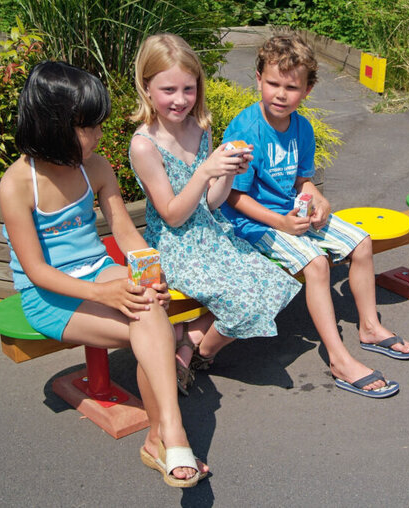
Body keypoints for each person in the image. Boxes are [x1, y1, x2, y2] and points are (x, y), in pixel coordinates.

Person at [0, 61, 207, 487]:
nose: (97, 136)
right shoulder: (18, 184)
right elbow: (37, 271)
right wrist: (108, 295)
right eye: (87, 127)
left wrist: (152, 275)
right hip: (49, 292)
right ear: (51, 125)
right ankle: (169, 435)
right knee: (150, 329)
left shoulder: (92, 166)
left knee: (149, 307)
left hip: (98, 271)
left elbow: (127, 233)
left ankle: (163, 433)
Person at [221, 33, 409, 399]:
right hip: (253, 223)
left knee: (361, 241)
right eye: (273, 83)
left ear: (307, 90)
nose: (280, 94)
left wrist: (318, 198)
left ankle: (370, 326)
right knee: (316, 263)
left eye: (291, 87)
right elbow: (233, 195)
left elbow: (303, 181)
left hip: (292, 213)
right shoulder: (246, 131)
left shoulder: (302, 128)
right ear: (259, 80)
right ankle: (338, 358)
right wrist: (279, 221)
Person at [129, 33, 301, 395]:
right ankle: (190, 344)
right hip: (176, 246)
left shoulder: (200, 127)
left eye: (188, 89)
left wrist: (228, 173)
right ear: (147, 88)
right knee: (246, 301)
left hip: (213, 234)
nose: (180, 100)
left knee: (273, 283)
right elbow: (173, 216)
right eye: (169, 90)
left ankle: (192, 347)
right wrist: (207, 170)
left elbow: (212, 202)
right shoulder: (144, 145)